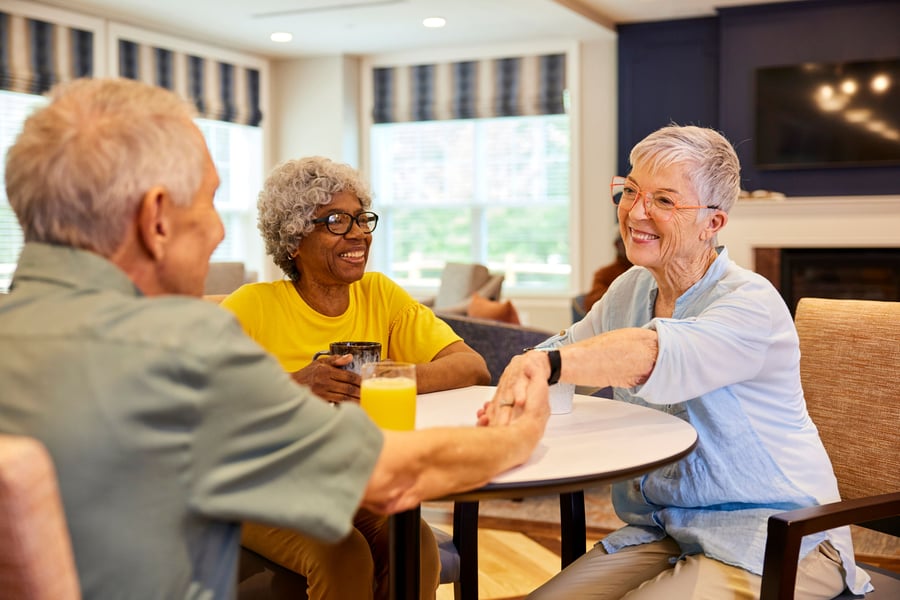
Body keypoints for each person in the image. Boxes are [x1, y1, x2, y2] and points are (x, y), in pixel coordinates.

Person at [0, 77, 550, 600]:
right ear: (156, 219)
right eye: (210, 201)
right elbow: (388, 472)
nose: (218, 231)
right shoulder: (181, 347)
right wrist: (519, 436)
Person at [480, 125, 871, 599]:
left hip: (777, 536)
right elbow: (565, 358)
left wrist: (547, 367)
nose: (636, 211)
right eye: (631, 191)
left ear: (713, 223)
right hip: (667, 527)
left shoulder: (750, 302)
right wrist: (523, 383)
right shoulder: (631, 288)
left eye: (664, 201)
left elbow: (648, 356)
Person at [220, 156, 491, 599]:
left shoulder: (380, 295)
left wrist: (388, 379)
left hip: (354, 481)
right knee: (341, 553)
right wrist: (295, 385)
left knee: (416, 544)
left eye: (361, 218)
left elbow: (471, 366)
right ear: (294, 240)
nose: (359, 234)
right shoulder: (251, 306)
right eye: (336, 222)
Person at [582, 235, 631, 312]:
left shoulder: (649, 272)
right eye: (623, 241)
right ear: (617, 245)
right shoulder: (604, 273)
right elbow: (591, 302)